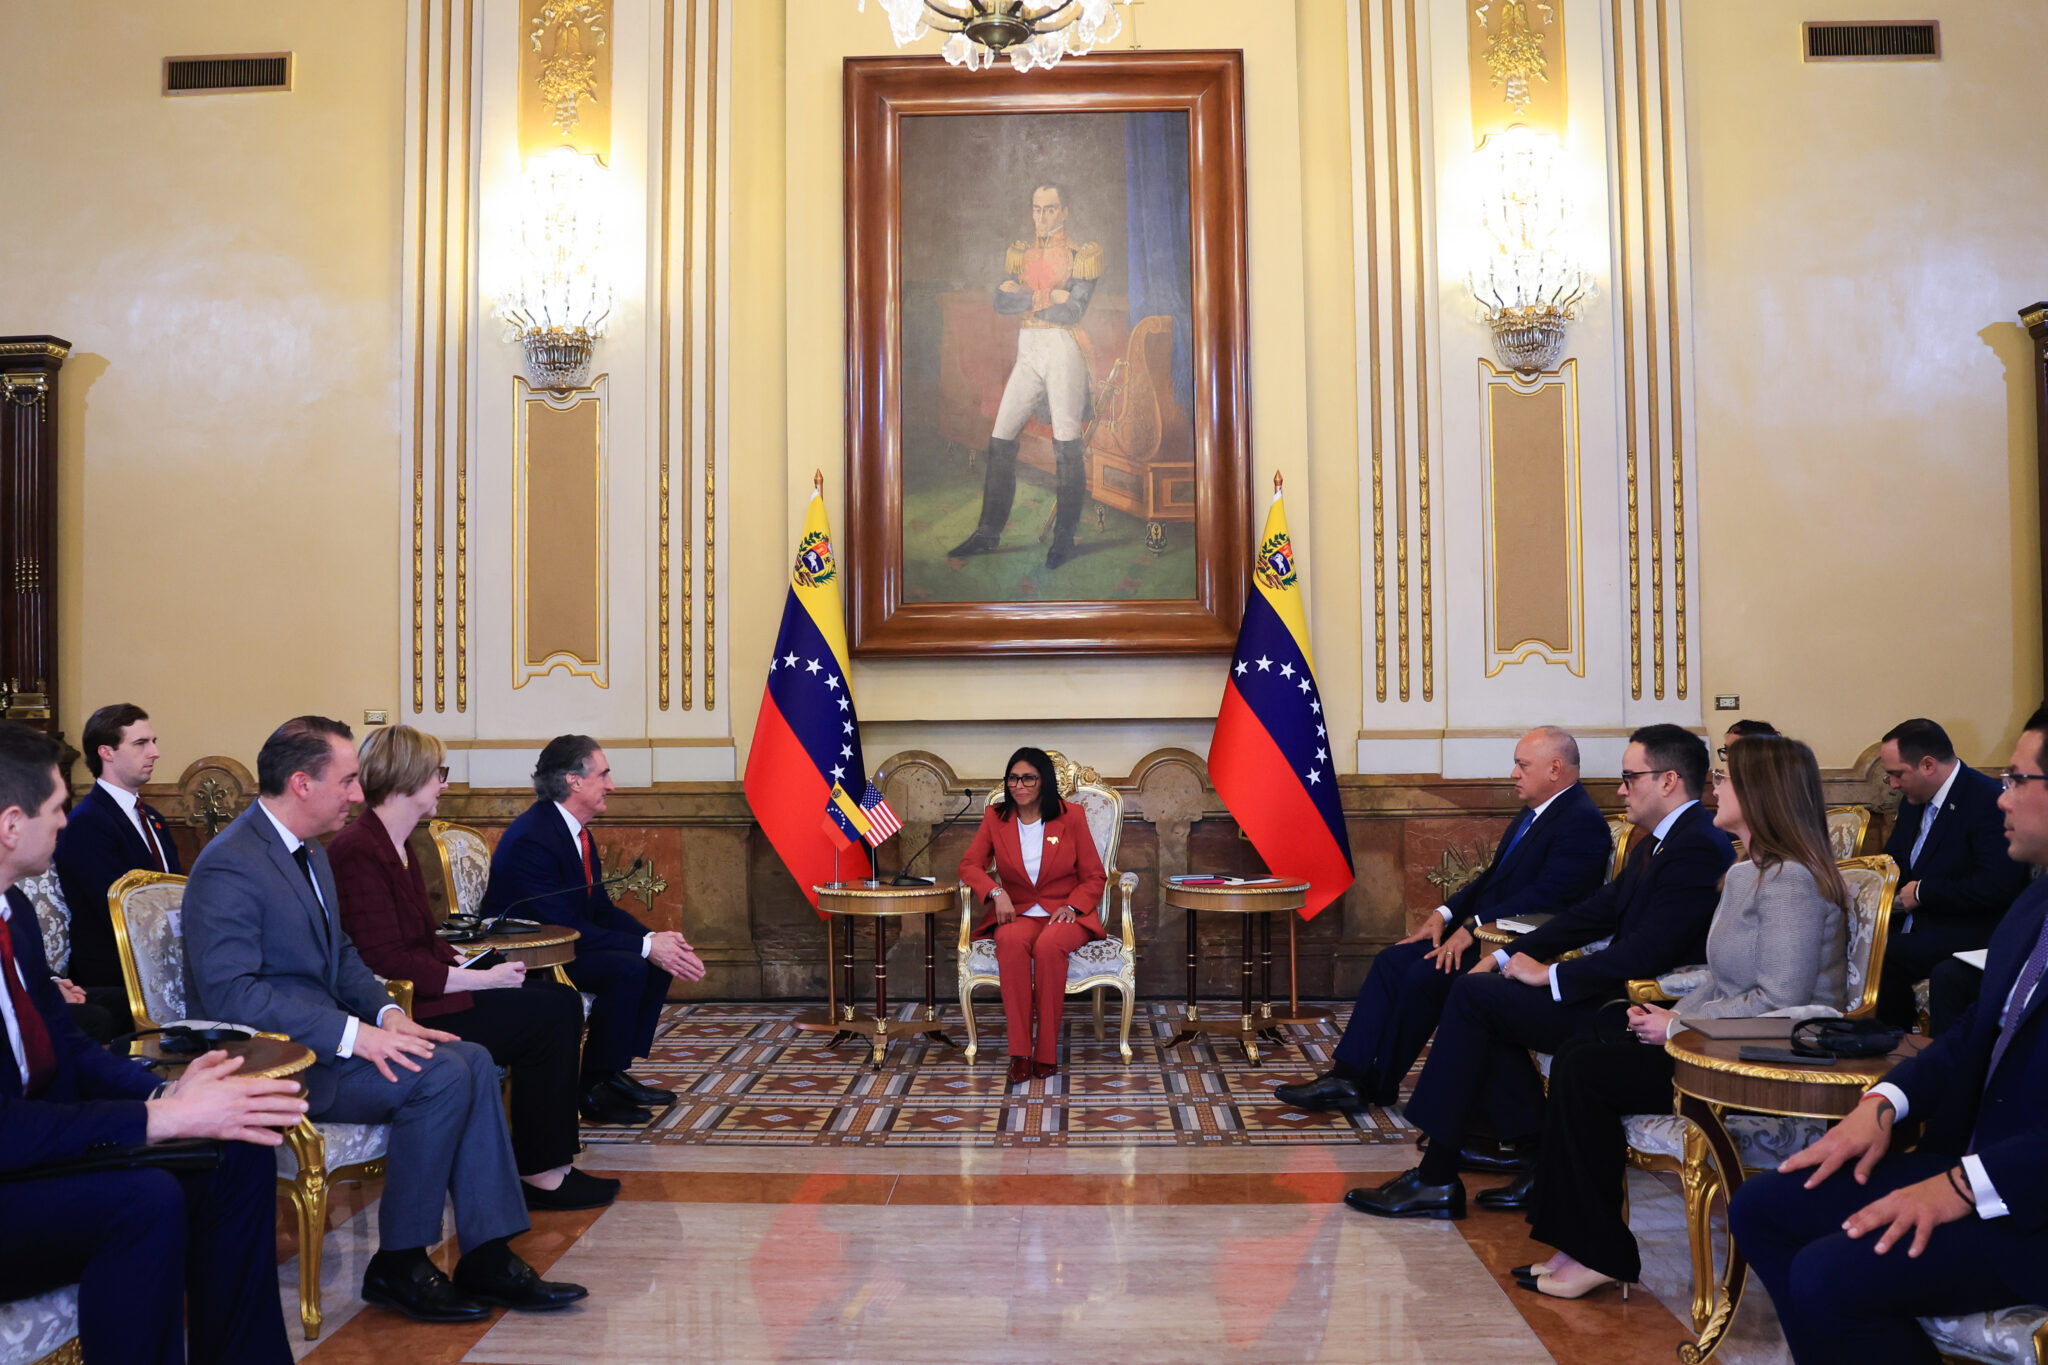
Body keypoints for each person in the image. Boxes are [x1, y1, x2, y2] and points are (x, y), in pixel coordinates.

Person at [185, 716, 586, 1323]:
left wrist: (389, 1012)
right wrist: (354, 1032)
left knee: (472, 1058)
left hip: (333, 1042)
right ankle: (399, 1262)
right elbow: (233, 993)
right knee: (445, 1076)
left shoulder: (309, 852)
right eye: (347, 781)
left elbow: (342, 953)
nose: (356, 793)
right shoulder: (230, 864)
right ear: (301, 783)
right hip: (282, 1064)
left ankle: (485, 1252)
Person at [1728, 702, 2048, 1365]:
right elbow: (1968, 1040)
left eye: (2017, 780)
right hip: (1976, 1167)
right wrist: (1883, 1103)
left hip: (2030, 1206)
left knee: (1829, 1276)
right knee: (1763, 1206)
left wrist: (1963, 1187)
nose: (2001, 799)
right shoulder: (2033, 904)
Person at [0, 719, 305, 1364]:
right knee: (145, 1200)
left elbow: (71, 1048)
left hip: (36, 1150)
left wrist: (169, 1090)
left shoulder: (13, 911)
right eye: (58, 808)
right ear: (10, 825)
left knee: (234, 1151)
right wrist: (154, 1118)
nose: (65, 822)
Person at [1346, 723, 1736, 1221]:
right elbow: (1595, 912)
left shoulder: (1695, 847)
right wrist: (1508, 957)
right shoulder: (1660, 841)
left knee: (1473, 998)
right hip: (1610, 994)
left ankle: (1438, 1177)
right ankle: (1525, 1157)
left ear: (1667, 781)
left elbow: (1646, 953)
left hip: (1635, 1012)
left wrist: (1550, 978)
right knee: (1480, 993)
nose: (1619, 788)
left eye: (1629, 777)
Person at [1517, 733, 1851, 1299]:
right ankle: (1581, 1241)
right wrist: (1663, 1015)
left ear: (1762, 793)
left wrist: (1674, 1027)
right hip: (1711, 1041)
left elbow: (1781, 1001)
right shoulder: (1746, 873)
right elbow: (1720, 979)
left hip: (1756, 1061)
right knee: (1584, 1047)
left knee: (1585, 1071)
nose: (1714, 788)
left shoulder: (1793, 879)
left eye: (1726, 781)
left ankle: (1596, 1250)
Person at [329, 725, 627, 1204]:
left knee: (556, 999)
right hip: (405, 1010)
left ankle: (547, 1162)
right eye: (438, 774)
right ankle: (541, 1174)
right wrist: (481, 979)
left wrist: (471, 961)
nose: (444, 785)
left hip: (429, 991)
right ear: (408, 778)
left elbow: (421, 939)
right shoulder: (360, 850)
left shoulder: (397, 845)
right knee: (551, 1015)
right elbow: (385, 961)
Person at [1273, 727, 1610, 1126]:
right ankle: (1347, 1075)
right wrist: (1444, 915)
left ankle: (1378, 1083)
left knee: (1422, 975)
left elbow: (1549, 897)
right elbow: (1492, 879)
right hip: (1479, 935)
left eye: (1522, 765)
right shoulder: (1535, 812)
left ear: (1555, 769)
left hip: (1515, 946)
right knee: (1391, 961)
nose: (1513, 774)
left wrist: (1475, 925)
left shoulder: (1581, 822)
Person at [483, 735, 704, 1123]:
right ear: (574, 781)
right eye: (604, 774)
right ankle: (591, 1090)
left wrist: (653, 940)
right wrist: (644, 948)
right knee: (628, 966)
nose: (612, 785)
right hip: (532, 955)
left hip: (563, 942)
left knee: (649, 960)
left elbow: (598, 909)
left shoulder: (577, 832)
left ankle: (609, 1072)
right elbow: (565, 925)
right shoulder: (534, 839)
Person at [946, 182, 1105, 571]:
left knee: (1067, 443)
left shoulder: (1082, 256)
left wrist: (1026, 296)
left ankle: (1064, 539)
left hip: (1064, 349)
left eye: (1050, 209)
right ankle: (987, 534)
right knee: (1001, 438)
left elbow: (1074, 312)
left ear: (1065, 212)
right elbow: (1001, 303)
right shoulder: (1021, 253)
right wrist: (1051, 295)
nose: (1042, 217)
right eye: (1036, 209)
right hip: (1028, 348)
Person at [958, 746, 1108, 1084]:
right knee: (1009, 941)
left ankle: (1046, 1052)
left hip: (1065, 914)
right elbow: (969, 865)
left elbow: (1095, 875)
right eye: (1013, 777)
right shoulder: (996, 818)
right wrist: (997, 893)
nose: (1018, 785)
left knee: (1048, 947)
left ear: (1044, 781)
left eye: (1028, 777)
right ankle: (1020, 1053)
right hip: (1020, 912)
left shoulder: (1071, 816)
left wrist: (1072, 907)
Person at [1873, 718, 2027, 1028]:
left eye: (1897, 774)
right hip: (1916, 924)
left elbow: (1997, 884)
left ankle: (1890, 1050)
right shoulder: (1913, 800)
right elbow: (1893, 859)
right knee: (1856, 940)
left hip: (1968, 929)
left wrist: (1922, 892)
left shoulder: (1985, 799)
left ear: (1928, 765)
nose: (1893, 784)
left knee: (1884, 952)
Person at [53, 702, 183, 1033]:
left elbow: (177, 891)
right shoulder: (87, 822)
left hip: (168, 964)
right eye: (141, 743)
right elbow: (118, 908)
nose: (154, 752)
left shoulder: (152, 818)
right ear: (106, 752)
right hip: (119, 977)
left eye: (153, 741)